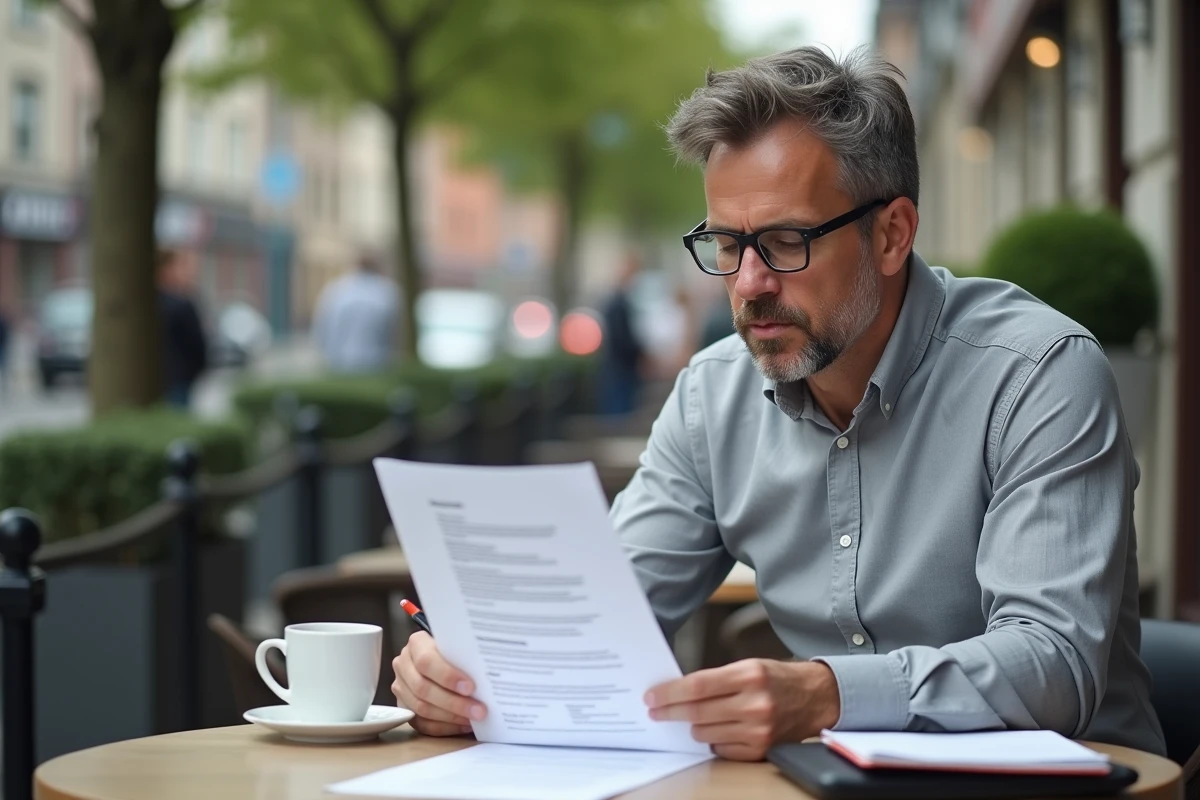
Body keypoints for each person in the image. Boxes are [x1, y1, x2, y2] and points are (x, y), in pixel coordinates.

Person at [389, 47, 1166, 760]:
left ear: (892, 235)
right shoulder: (712, 396)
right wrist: (472, 675)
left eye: (787, 241)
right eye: (727, 246)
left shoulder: (1037, 375)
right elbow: (605, 622)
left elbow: (1053, 666)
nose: (751, 283)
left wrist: (825, 694)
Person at [312, 254, 399, 373]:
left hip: (339, 361)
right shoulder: (387, 292)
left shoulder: (335, 290)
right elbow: (393, 331)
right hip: (375, 362)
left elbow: (321, 328)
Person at [158, 249, 208, 408]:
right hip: (179, 380)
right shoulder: (182, 304)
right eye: (182, 266)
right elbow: (197, 345)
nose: (190, 272)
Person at [597, 252, 646, 415]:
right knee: (619, 415)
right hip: (621, 370)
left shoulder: (620, 301)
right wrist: (640, 352)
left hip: (620, 369)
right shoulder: (618, 303)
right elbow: (621, 339)